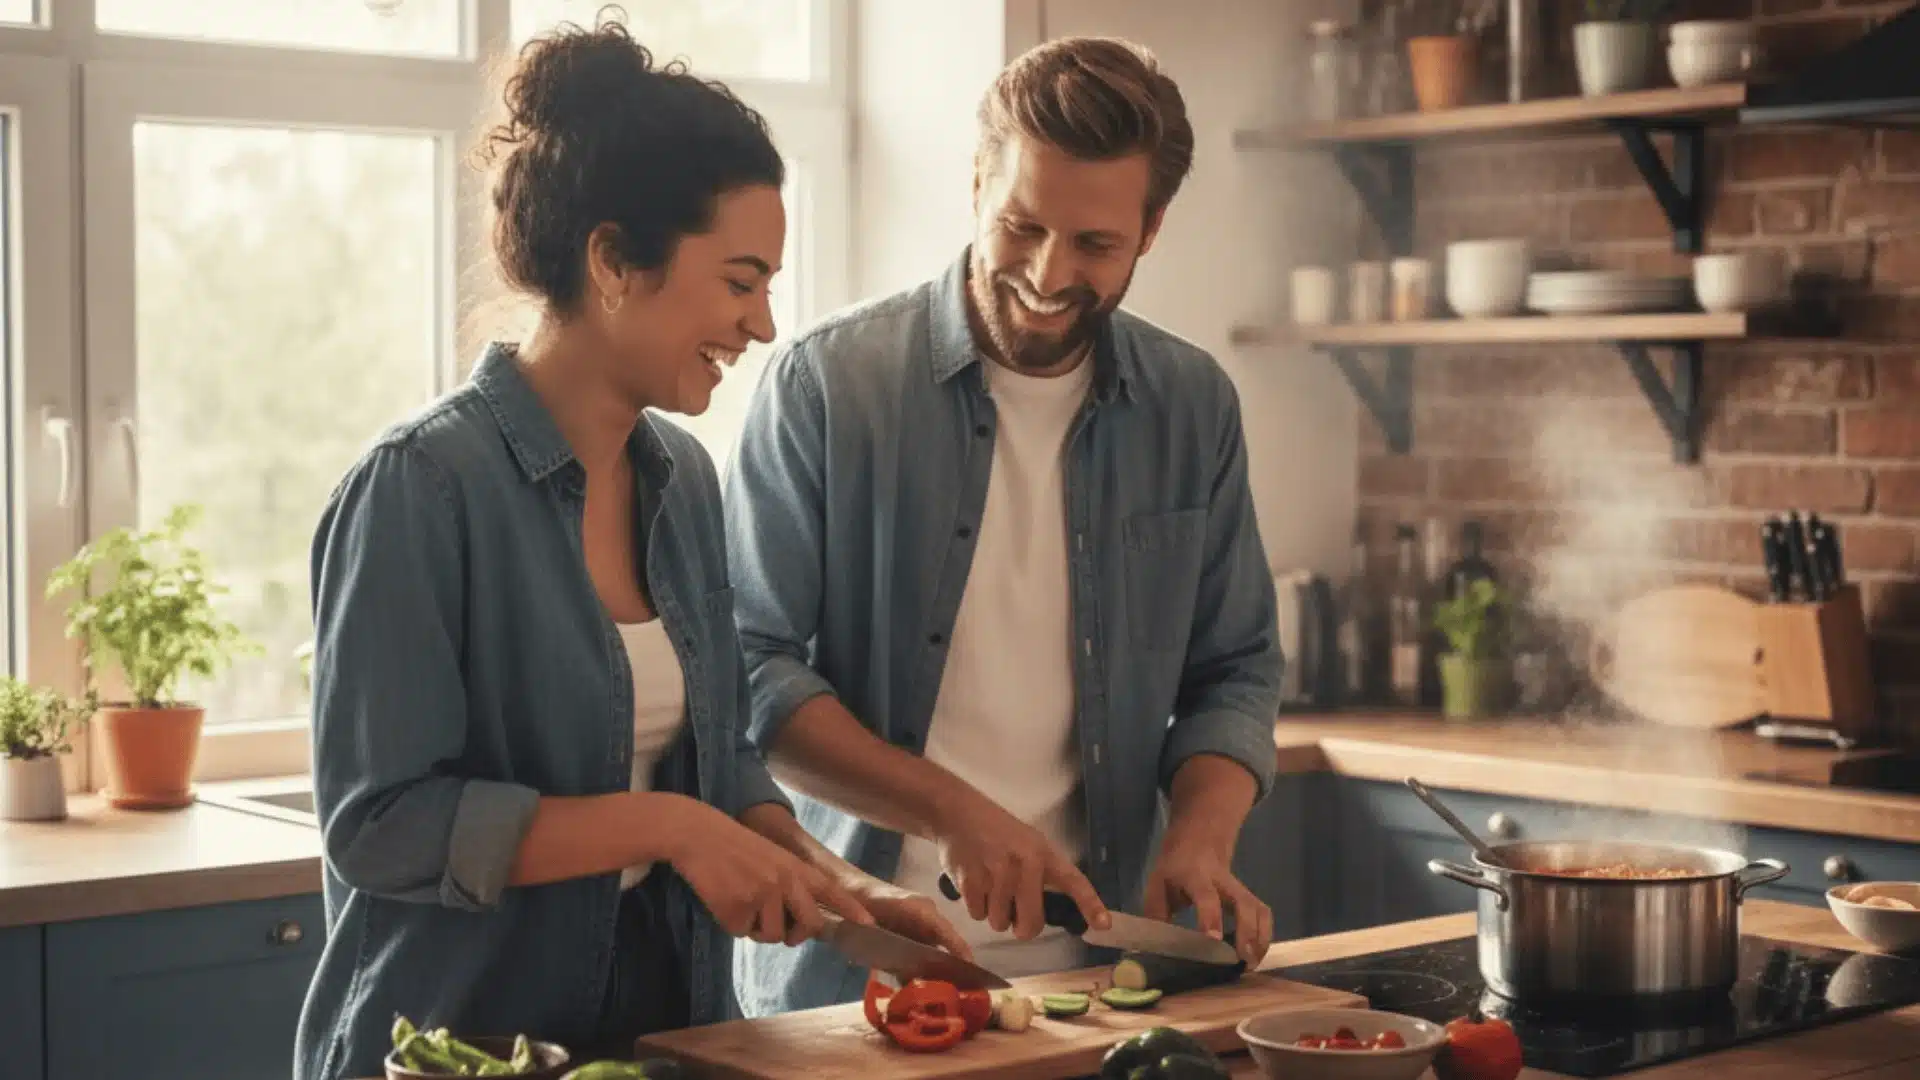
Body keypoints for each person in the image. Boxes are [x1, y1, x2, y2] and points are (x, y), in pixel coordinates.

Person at [293, 18, 964, 1080]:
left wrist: (850, 899)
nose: (763, 324)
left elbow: (726, 768)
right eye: (739, 281)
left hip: (663, 1044)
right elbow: (380, 825)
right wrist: (667, 827)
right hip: (457, 1051)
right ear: (612, 259)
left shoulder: (684, 481)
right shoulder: (420, 487)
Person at [724, 35, 1282, 1018]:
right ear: (977, 179)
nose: (1045, 272)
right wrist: (954, 813)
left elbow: (1232, 665)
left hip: (1101, 978)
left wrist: (1201, 835)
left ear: (1151, 230)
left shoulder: (1194, 407)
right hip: (855, 980)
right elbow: (753, 673)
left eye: (1095, 245)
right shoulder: (826, 385)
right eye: (1020, 224)